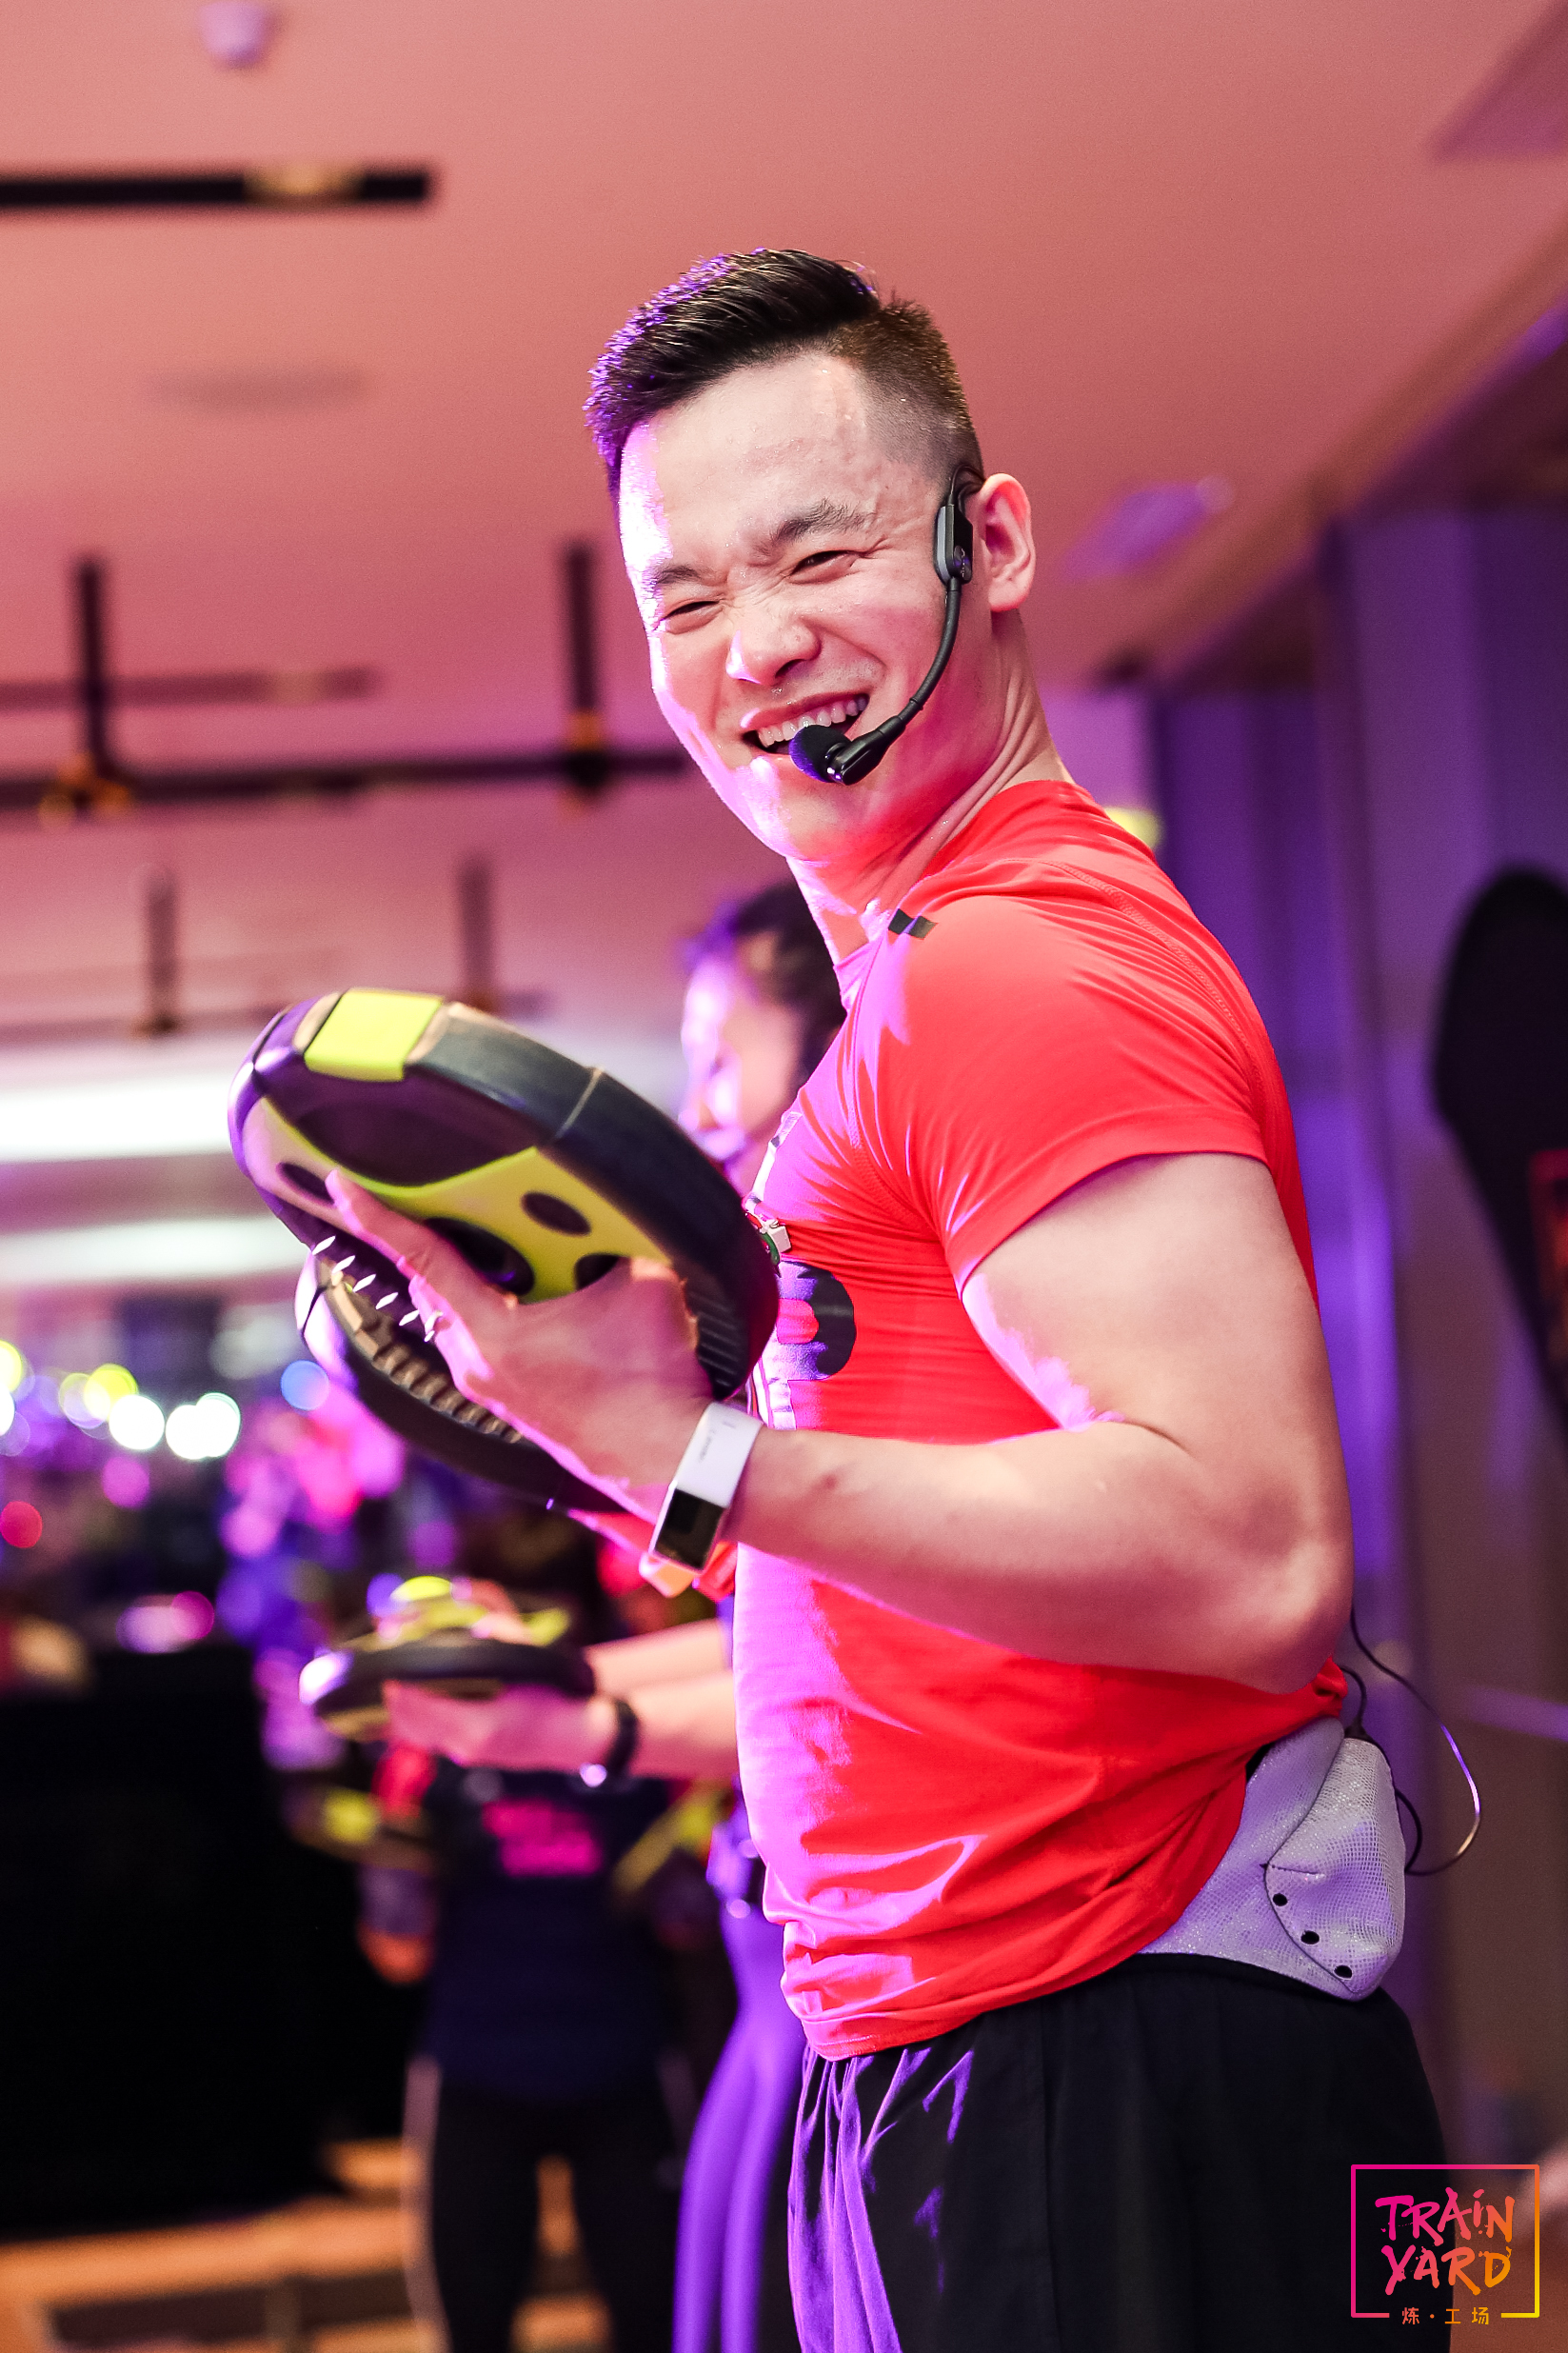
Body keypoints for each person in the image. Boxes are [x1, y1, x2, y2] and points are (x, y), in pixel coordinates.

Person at [331, 251, 1443, 2351]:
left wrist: (689, 1450)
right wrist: (596, 1685)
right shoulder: (918, 993)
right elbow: (933, 1633)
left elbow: (1252, 1554)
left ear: (988, 542)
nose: (751, 645)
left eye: (815, 553)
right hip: (989, 2047)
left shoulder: (1011, 966)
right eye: (681, 598)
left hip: (1105, 2056)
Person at [394, 880, 844, 2353]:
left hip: (921, 1974)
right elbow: (785, 1633)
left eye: (719, 1055)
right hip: (793, 1959)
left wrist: (583, 1704)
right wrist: (563, 1699)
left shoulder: (879, 1319)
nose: (699, 1108)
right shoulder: (799, 1336)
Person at [357, 1511, 683, 2353]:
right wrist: (400, 1838)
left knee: (656, 2323)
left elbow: (684, 1924)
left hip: (621, 2070)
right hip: (479, 2072)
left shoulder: (640, 1727)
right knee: (476, 2328)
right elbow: (397, 1949)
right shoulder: (437, 1746)